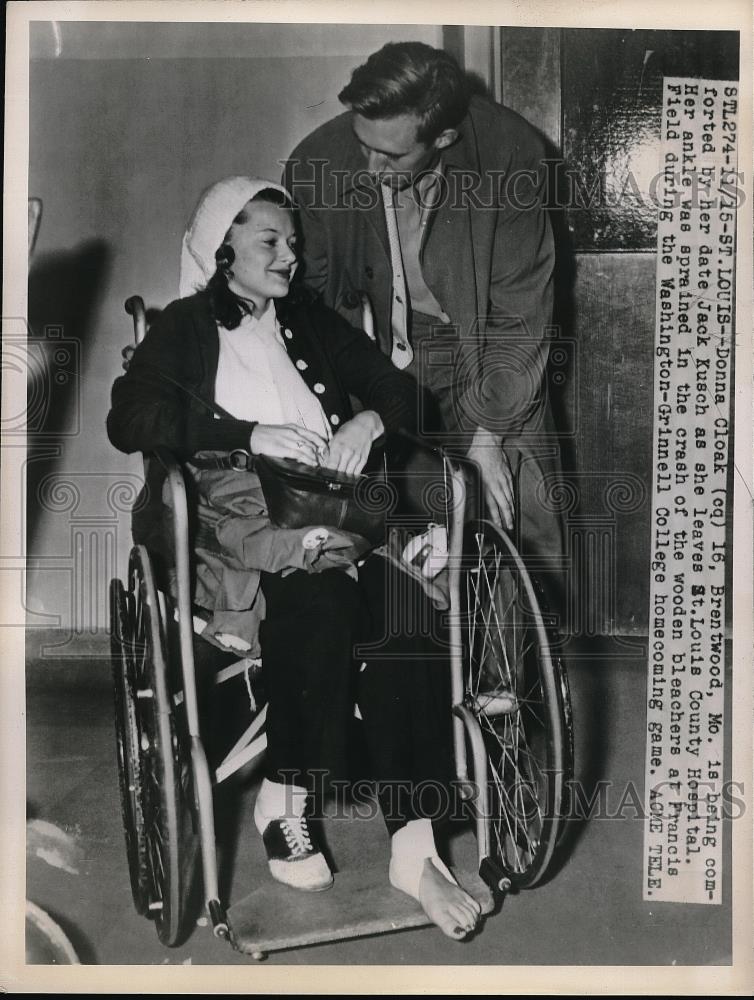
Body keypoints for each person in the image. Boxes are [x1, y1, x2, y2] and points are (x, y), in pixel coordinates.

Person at [107, 176, 482, 940]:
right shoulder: (182, 326)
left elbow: (407, 396)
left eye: (293, 240)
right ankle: (287, 793)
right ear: (222, 251)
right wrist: (248, 435)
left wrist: (369, 421)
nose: (291, 253)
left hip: (335, 510)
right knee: (321, 601)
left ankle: (415, 846)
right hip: (232, 522)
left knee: (404, 613)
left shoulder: (311, 322)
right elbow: (131, 417)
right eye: (270, 241)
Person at [284, 41, 564, 607]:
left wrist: (489, 437)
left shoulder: (511, 155)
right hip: (372, 348)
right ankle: (419, 668)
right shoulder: (317, 161)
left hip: (485, 344)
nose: (370, 166)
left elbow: (521, 312)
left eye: (391, 157)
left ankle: (507, 691)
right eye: (363, 144)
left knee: (524, 500)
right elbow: (304, 301)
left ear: (443, 140)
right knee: (384, 507)